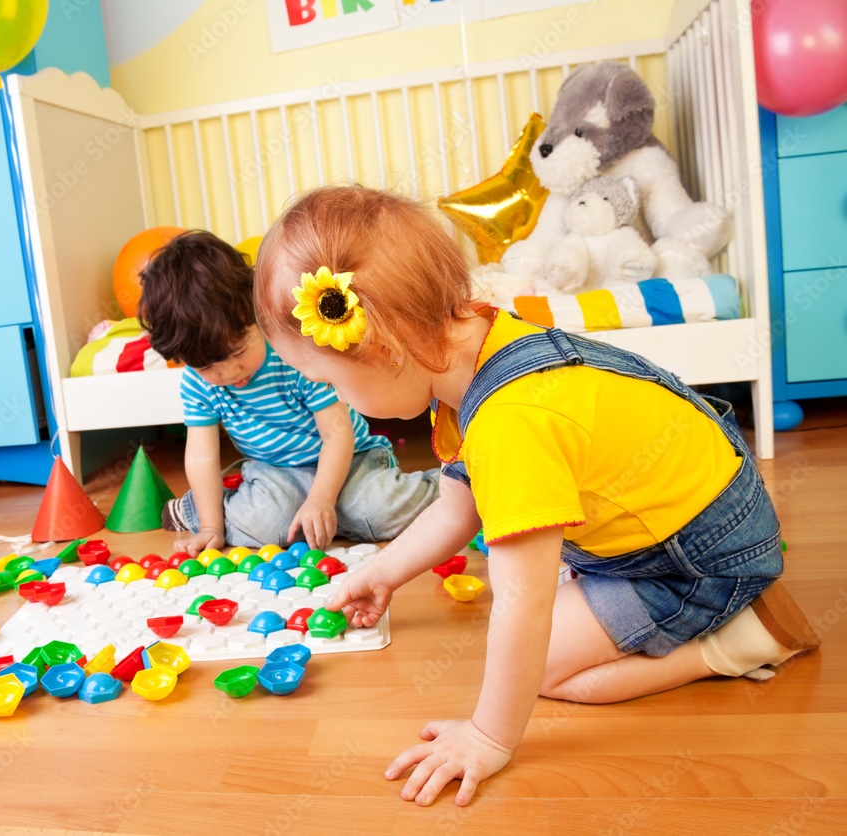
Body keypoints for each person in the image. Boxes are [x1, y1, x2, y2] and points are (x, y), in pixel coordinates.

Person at [252, 185, 821, 807]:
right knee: (526, 614)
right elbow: (454, 507)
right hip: (683, 512)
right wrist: (384, 572)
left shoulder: (510, 420)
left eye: (329, 384)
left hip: (693, 559)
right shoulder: (476, 342)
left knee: (544, 668)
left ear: (385, 350)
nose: (333, 404)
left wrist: (489, 737)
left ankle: (736, 641)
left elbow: (521, 608)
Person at [137, 229, 439, 555]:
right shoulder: (198, 382)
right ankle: (200, 510)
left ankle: (463, 484)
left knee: (379, 511)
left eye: (237, 352)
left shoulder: (293, 356)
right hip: (278, 473)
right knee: (265, 525)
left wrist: (322, 499)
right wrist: (211, 527)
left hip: (350, 460)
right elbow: (201, 456)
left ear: (256, 314)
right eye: (207, 366)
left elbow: (338, 435)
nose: (227, 373)